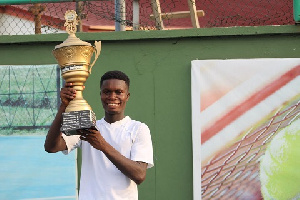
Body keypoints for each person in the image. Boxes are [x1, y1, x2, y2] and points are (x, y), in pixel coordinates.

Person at [44, 70, 154, 200]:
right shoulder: (86, 124)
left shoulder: (138, 128)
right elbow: (51, 147)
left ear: (127, 96)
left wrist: (102, 145)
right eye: (107, 92)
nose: (112, 97)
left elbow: (139, 175)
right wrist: (63, 106)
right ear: (101, 94)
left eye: (119, 92)